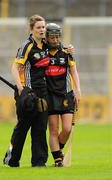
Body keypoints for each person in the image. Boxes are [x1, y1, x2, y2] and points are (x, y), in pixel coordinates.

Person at [3, 14, 50, 167]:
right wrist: (21, 89)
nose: (42, 30)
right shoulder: (27, 46)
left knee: (40, 127)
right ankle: (12, 159)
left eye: (43, 27)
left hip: (42, 93)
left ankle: (39, 161)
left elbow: (60, 50)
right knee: (22, 128)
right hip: (28, 94)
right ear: (32, 29)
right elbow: (14, 68)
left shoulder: (46, 45)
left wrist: (70, 49)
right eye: (39, 27)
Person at [45, 23, 81, 167]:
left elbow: (73, 71)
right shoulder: (42, 52)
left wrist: (78, 90)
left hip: (66, 94)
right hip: (49, 95)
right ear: (47, 37)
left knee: (67, 128)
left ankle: (57, 150)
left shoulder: (66, 51)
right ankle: (58, 159)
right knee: (53, 129)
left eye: (57, 36)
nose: (54, 40)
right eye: (52, 37)